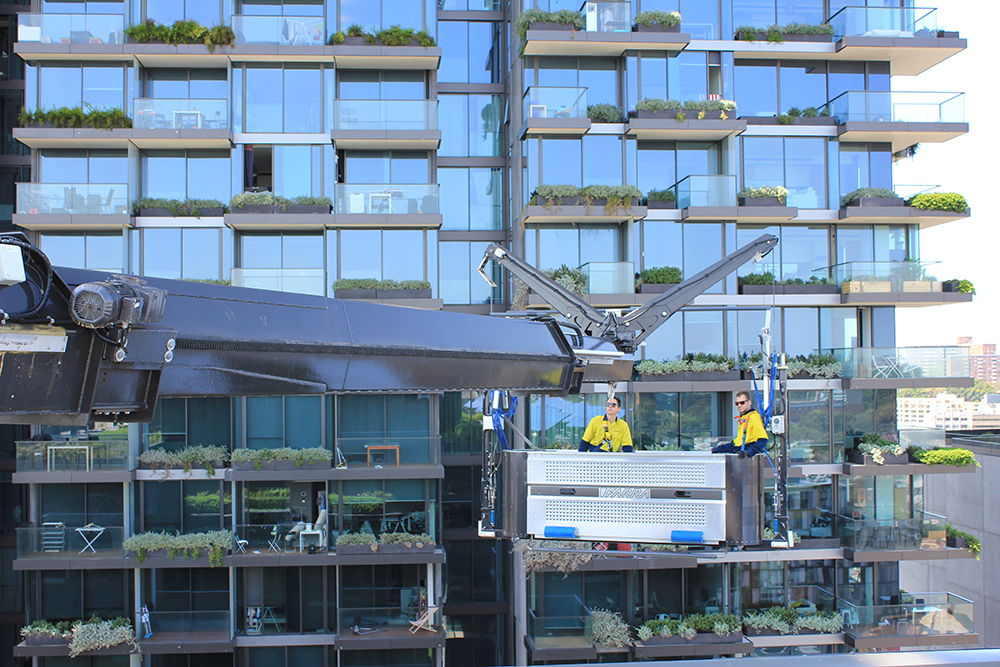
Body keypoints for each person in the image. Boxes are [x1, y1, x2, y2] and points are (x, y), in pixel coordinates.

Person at [713, 390, 768, 457]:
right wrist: (717, 449)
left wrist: (748, 453)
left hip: (745, 456)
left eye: (742, 403)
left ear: (749, 402)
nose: (739, 405)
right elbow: (736, 443)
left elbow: (763, 439)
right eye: (737, 403)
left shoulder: (753, 417)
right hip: (740, 452)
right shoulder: (744, 417)